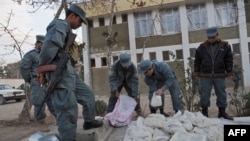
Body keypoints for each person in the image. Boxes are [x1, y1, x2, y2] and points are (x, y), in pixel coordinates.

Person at [38, 4, 103, 141]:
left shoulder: (67, 30)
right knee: (67, 109)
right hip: (58, 73)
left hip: (67, 71)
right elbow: (47, 49)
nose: (80, 25)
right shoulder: (59, 25)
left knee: (87, 94)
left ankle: (89, 121)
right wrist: (42, 71)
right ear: (72, 16)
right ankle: (68, 138)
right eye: (80, 21)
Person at [193, 26, 234, 120]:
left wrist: (230, 72)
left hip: (219, 74)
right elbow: (197, 61)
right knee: (204, 94)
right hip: (205, 75)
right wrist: (196, 73)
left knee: (221, 93)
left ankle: (222, 112)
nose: (211, 39)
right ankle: (204, 113)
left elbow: (228, 60)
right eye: (209, 37)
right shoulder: (201, 47)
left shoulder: (225, 46)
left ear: (217, 35)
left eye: (213, 37)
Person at [20, 35, 56, 132]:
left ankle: (59, 119)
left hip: (48, 81)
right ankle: (41, 122)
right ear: (38, 43)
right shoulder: (30, 55)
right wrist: (31, 79)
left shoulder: (47, 54)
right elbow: (24, 68)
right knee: (39, 102)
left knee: (53, 101)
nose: (45, 46)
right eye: (43, 44)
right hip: (37, 80)